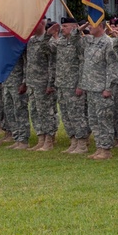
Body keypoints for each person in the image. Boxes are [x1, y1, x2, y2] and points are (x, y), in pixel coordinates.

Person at [78, 21, 118, 160]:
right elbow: (72, 38)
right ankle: (99, 147)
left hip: (102, 88)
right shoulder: (89, 41)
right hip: (90, 87)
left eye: (92, 24)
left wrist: (109, 87)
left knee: (104, 120)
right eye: (89, 24)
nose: (90, 27)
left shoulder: (109, 43)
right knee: (93, 120)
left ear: (101, 26)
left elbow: (113, 67)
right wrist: (84, 25)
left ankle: (106, 149)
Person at [50, 17, 89, 155]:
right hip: (61, 84)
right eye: (62, 26)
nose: (62, 28)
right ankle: (73, 141)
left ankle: (82, 143)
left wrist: (80, 84)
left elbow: (83, 64)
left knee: (77, 114)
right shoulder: (61, 41)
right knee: (66, 115)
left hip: (73, 84)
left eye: (66, 26)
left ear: (74, 27)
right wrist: (49, 34)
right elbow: (48, 48)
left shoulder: (79, 42)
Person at [24, 20, 57, 151]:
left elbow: (52, 64)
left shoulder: (50, 42)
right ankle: (41, 138)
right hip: (32, 82)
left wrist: (51, 83)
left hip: (43, 83)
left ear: (42, 24)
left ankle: (49, 140)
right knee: (35, 111)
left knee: (46, 111)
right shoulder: (31, 41)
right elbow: (28, 62)